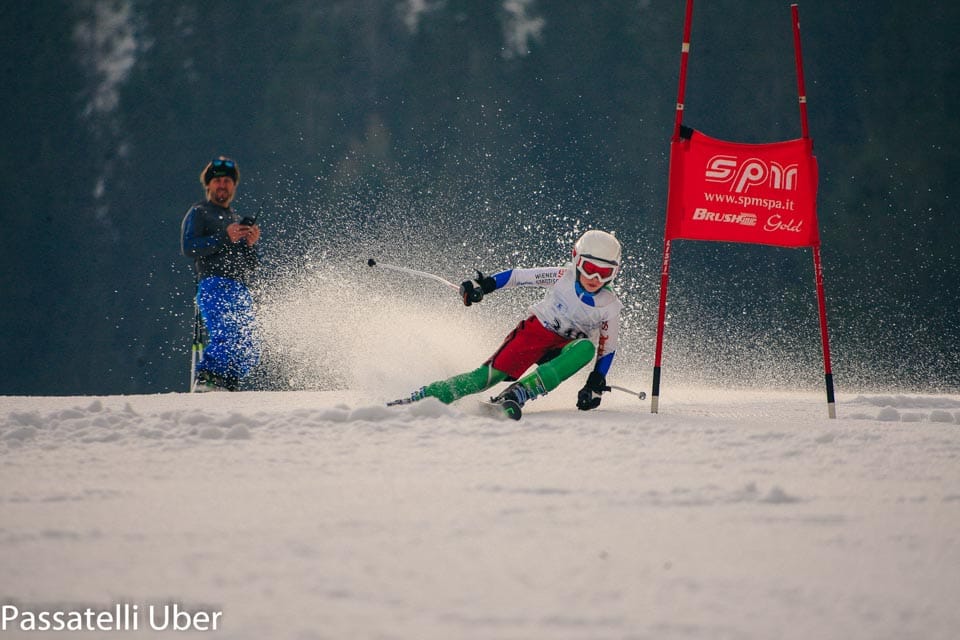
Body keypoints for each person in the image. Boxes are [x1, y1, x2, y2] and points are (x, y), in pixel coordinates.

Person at [389, 229, 624, 420]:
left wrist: (595, 383)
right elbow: (518, 276)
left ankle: (521, 392)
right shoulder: (563, 276)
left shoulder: (609, 305)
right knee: (483, 379)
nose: (595, 279)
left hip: (565, 349)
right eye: (590, 269)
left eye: (605, 273)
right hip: (536, 334)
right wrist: (484, 285)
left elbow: (608, 347)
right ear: (576, 259)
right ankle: (425, 396)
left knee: (586, 348)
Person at [180, 156, 261, 392]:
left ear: (234, 186)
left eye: (227, 181)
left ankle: (228, 381)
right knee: (226, 332)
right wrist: (225, 237)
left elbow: (252, 265)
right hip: (213, 283)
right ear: (208, 185)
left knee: (249, 343)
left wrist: (249, 244)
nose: (222, 185)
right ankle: (208, 377)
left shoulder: (236, 220)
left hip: (239, 288)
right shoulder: (199, 212)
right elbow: (190, 247)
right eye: (217, 181)